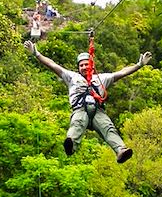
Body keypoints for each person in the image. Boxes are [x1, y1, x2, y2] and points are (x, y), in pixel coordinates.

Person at [24, 40, 152, 163]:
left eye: (87, 64)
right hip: (80, 109)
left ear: (92, 65)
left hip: (98, 111)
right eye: (81, 65)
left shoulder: (102, 78)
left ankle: (120, 150)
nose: (84, 67)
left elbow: (122, 72)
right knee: (77, 123)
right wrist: (37, 54)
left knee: (108, 128)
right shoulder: (72, 77)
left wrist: (138, 65)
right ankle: (71, 144)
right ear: (78, 67)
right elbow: (52, 65)